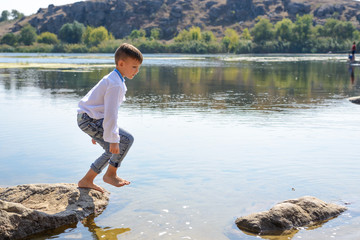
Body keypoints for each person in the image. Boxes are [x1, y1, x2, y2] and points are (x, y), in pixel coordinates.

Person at [77, 43, 143, 193]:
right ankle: (110, 175)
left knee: (114, 147)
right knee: (124, 140)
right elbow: (111, 113)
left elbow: (98, 106)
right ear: (121, 63)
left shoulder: (115, 79)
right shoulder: (115, 84)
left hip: (89, 119)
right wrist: (111, 137)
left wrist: (99, 133)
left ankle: (87, 180)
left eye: (138, 68)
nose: (137, 71)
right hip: (90, 120)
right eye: (134, 67)